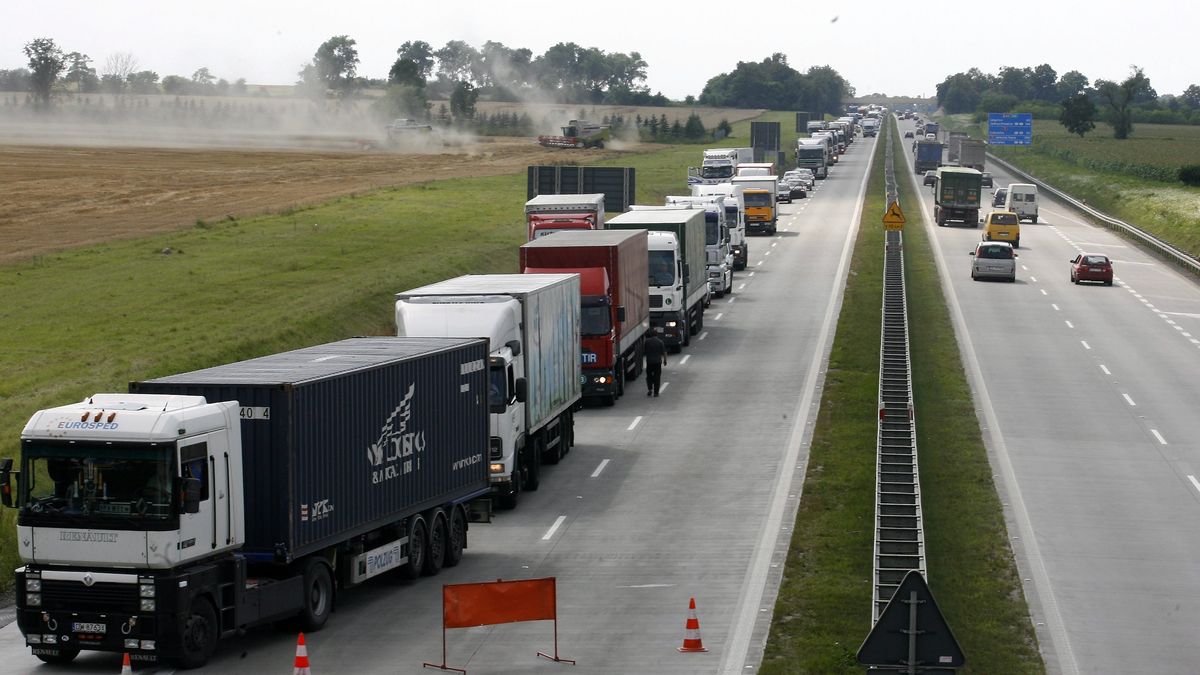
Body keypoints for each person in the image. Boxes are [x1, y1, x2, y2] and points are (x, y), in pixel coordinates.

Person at [643, 331, 667, 397]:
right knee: (657, 377)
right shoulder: (660, 342)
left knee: (649, 376)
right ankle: (656, 392)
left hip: (649, 362)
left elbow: (644, 351)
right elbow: (664, 352)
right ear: (657, 335)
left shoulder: (647, 342)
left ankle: (650, 389)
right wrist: (665, 361)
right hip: (657, 362)